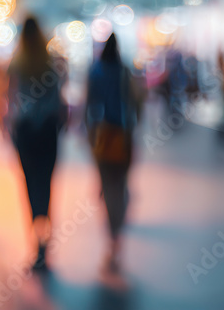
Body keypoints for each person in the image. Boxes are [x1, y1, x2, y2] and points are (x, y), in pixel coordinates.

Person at [11, 17, 66, 271]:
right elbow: (59, 102)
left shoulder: (17, 64)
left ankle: (36, 239)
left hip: (25, 132)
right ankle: (46, 239)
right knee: (46, 182)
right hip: (47, 131)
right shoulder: (50, 64)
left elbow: (11, 102)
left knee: (30, 183)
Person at [86, 33, 133, 272]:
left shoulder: (95, 71)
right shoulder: (125, 71)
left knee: (108, 186)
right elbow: (135, 103)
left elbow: (89, 105)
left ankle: (112, 235)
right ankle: (117, 235)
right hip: (124, 137)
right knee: (121, 185)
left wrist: (89, 134)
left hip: (103, 137)